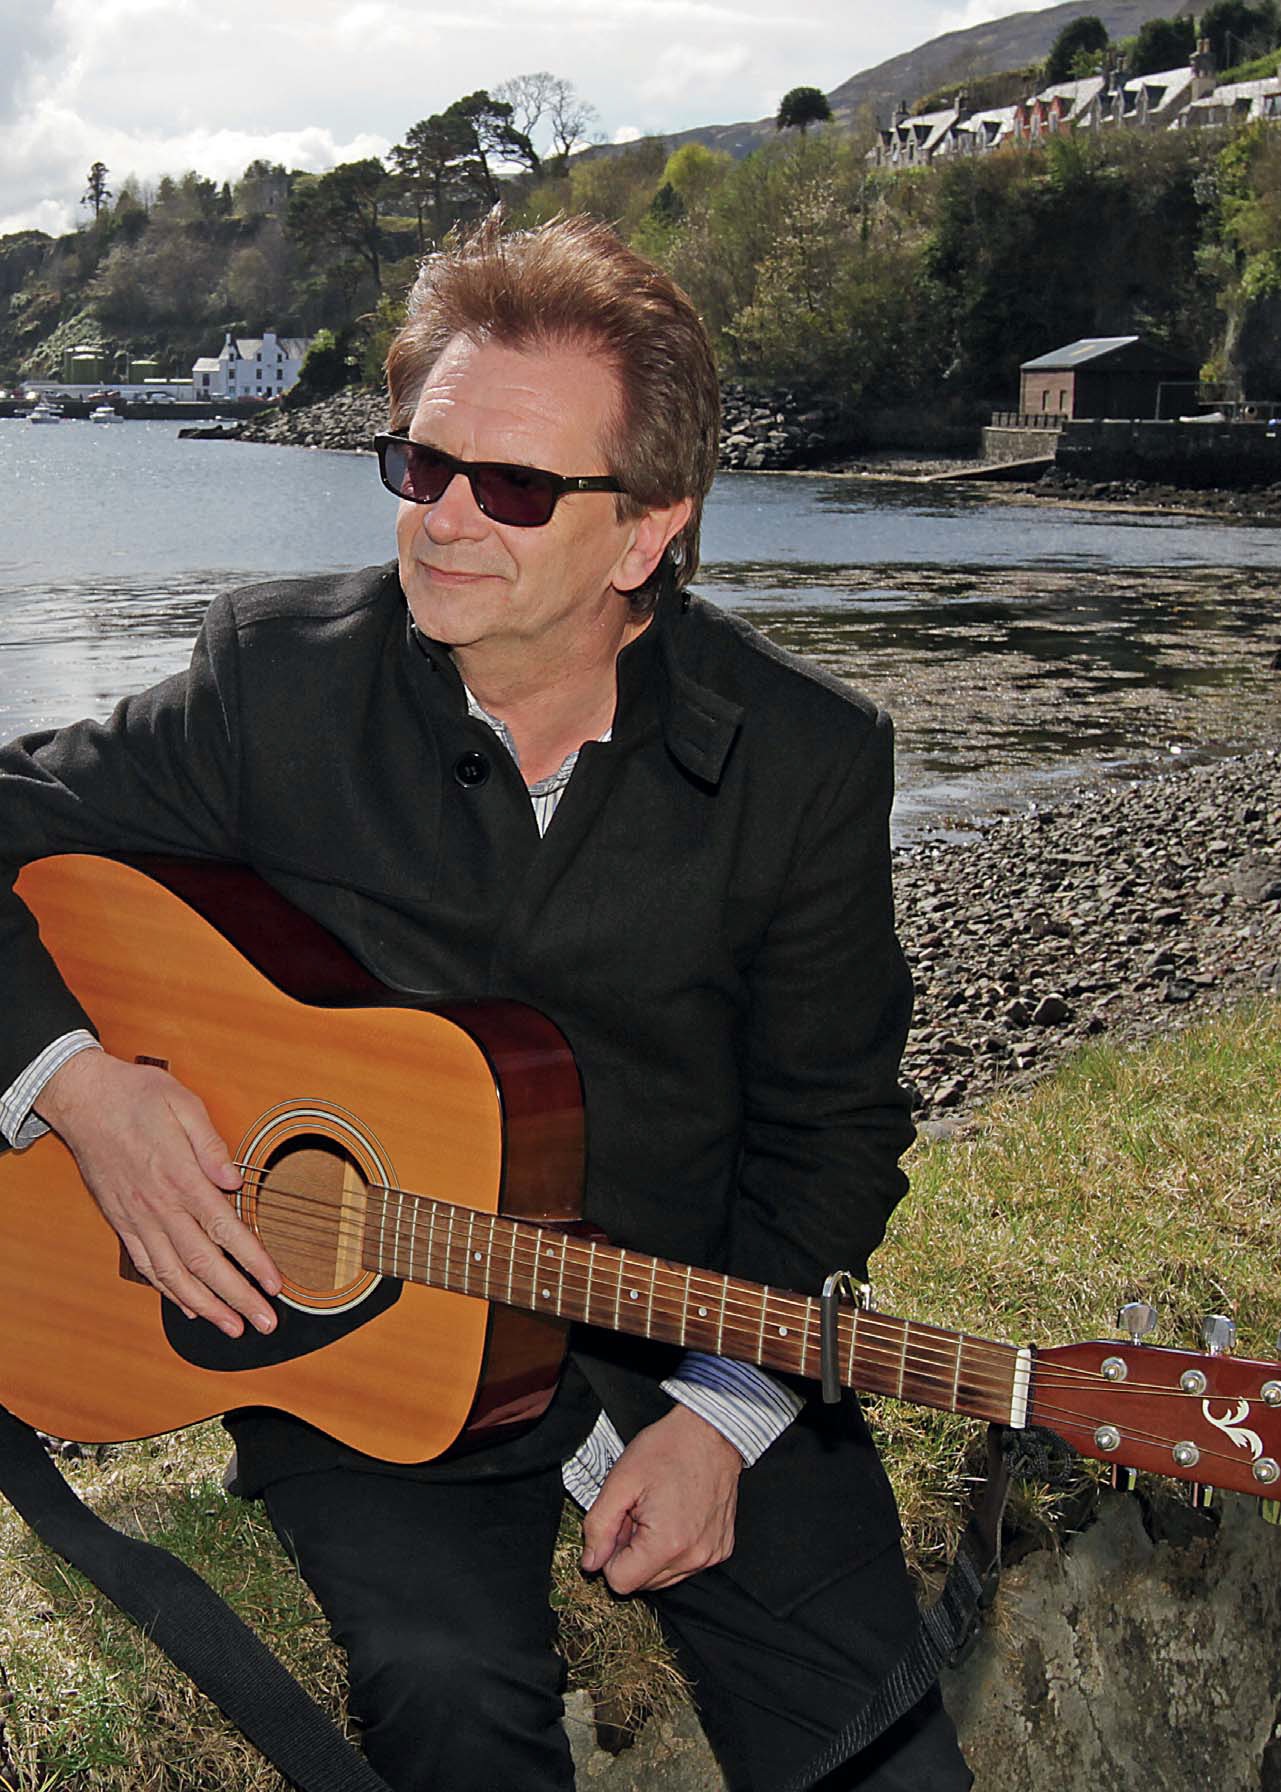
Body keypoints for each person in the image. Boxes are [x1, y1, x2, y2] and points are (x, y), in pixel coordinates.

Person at [0, 214, 971, 1791]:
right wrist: (80, 1087)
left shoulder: (802, 762)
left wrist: (724, 1420)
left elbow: (835, 1130)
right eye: (420, 465)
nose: (446, 521)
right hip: (358, 1339)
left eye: (513, 487)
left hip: (686, 1325)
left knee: (878, 1751)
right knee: (444, 1699)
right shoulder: (279, 678)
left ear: (646, 531)